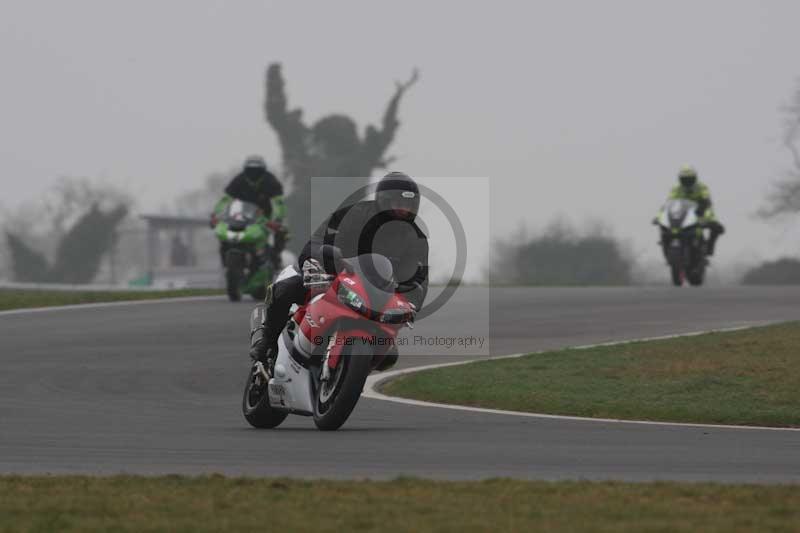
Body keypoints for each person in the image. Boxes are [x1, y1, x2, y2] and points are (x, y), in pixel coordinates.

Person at [249, 171, 429, 371]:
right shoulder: (352, 215)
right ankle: (267, 341)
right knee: (286, 289)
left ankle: (346, 372)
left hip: (374, 294)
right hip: (328, 275)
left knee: (388, 355)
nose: (403, 210)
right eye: (398, 203)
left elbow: (418, 280)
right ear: (383, 200)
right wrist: (320, 258)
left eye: (408, 205)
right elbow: (316, 241)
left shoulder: (417, 239)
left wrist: (410, 305)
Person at [212, 155, 287, 269]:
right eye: (250, 170)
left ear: (263, 171)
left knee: (281, 232)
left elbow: (278, 202)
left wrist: (278, 219)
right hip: (241, 216)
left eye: (257, 171)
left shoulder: (270, 181)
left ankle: (275, 258)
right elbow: (226, 199)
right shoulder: (239, 180)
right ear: (245, 170)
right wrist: (216, 215)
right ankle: (226, 260)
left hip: (264, 217)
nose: (253, 174)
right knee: (225, 234)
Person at [659, 165, 725, 256]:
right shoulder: (676, 189)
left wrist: (705, 214)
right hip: (682, 213)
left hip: (700, 211)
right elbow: (670, 203)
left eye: (689, 179)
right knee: (664, 225)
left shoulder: (702, 187)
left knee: (716, 226)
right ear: (680, 179)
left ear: (694, 178)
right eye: (684, 179)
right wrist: (661, 215)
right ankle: (666, 244)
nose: (687, 182)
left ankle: (709, 246)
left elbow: (706, 200)